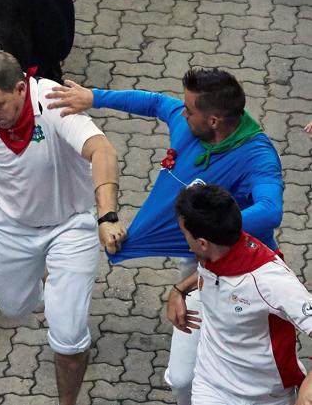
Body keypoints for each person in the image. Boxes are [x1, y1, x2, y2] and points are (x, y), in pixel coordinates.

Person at [46, 68, 284, 405]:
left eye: (189, 110)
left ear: (214, 120)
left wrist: (210, 225)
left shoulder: (258, 156)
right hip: (198, 261)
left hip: (246, 273)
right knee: (181, 378)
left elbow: (271, 209)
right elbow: (154, 103)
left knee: (253, 364)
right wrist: (94, 97)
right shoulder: (188, 124)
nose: (181, 112)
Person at [0, 50, 120, 405]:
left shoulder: (54, 104)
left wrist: (107, 216)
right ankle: (53, 285)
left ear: (21, 88)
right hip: (14, 226)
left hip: (70, 226)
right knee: (13, 308)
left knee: (67, 336)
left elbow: (103, 152)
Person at [168, 184, 312, 405]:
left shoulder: (272, 282)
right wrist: (179, 290)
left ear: (203, 243)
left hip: (265, 397)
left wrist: (307, 392)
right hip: (210, 386)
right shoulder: (216, 252)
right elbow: (213, 273)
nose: (185, 242)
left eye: (184, 234)